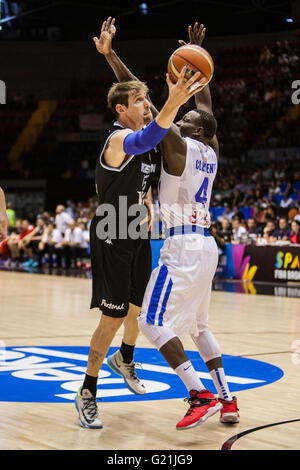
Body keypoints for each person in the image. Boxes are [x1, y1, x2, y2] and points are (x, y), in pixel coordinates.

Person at [99, 18, 239, 430]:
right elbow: (205, 107)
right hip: (207, 245)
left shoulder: (177, 144)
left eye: (184, 120)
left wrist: (111, 58)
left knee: (149, 323)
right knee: (200, 327)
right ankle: (228, 400)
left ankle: (199, 393)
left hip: (181, 247)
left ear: (190, 130)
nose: (177, 121)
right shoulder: (210, 148)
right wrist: (201, 66)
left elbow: (146, 101)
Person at [75, 24, 204, 429]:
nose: (147, 104)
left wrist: (111, 56)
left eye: (149, 100)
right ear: (122, 111)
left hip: (136, 232)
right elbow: (148, 134)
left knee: (139, 308)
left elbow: (136, 99)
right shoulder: (119, 139)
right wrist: (175, 98)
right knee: (112, 318)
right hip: (111, 233)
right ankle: (87, 392)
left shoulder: (144, 124)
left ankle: (124, 360)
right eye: (140, 101)